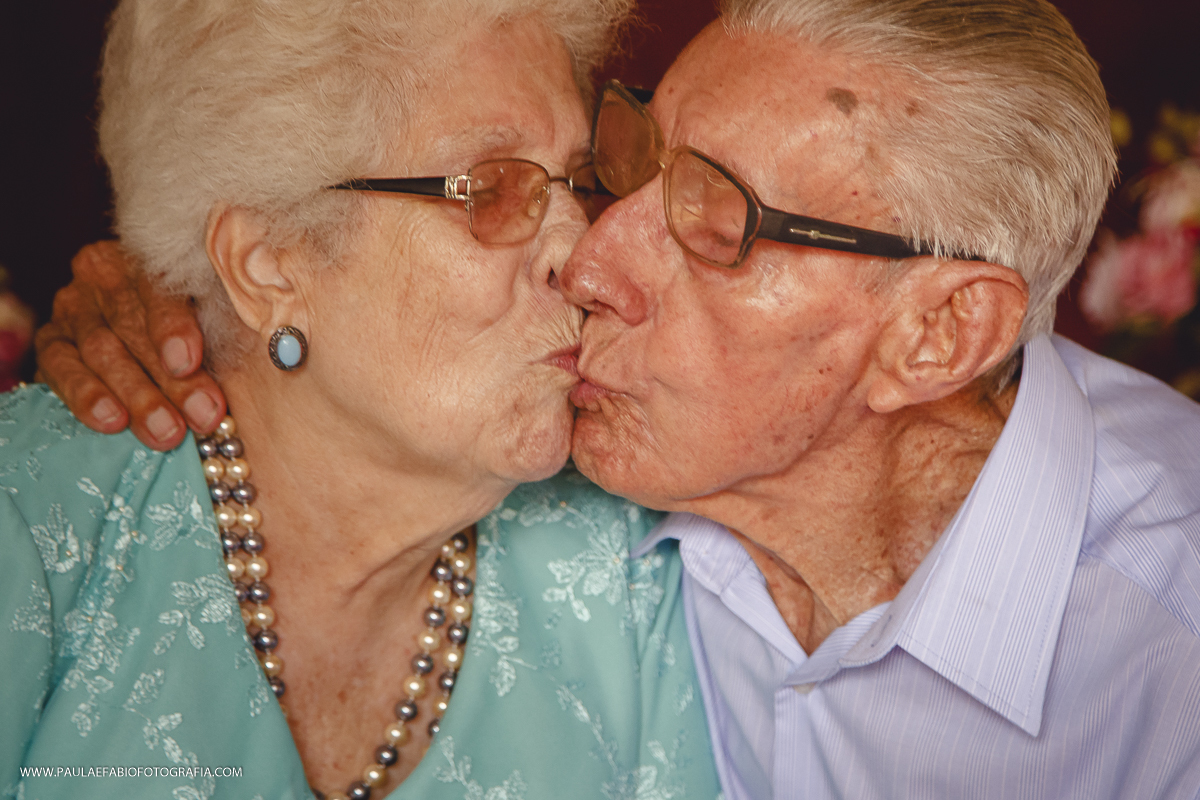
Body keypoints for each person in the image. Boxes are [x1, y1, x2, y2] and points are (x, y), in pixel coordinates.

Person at [35, 0, 1200, 798]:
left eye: (716, 220)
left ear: (939, 334)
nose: (589, 260)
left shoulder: (1167, 660)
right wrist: (197, 278)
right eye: (627, 167)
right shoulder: (598, 469)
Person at [2, 2, 722, 800]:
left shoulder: (629, 575)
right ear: (268, 264)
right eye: (490, 189)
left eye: (577, 182)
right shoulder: (36, 537)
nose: (579, 257)